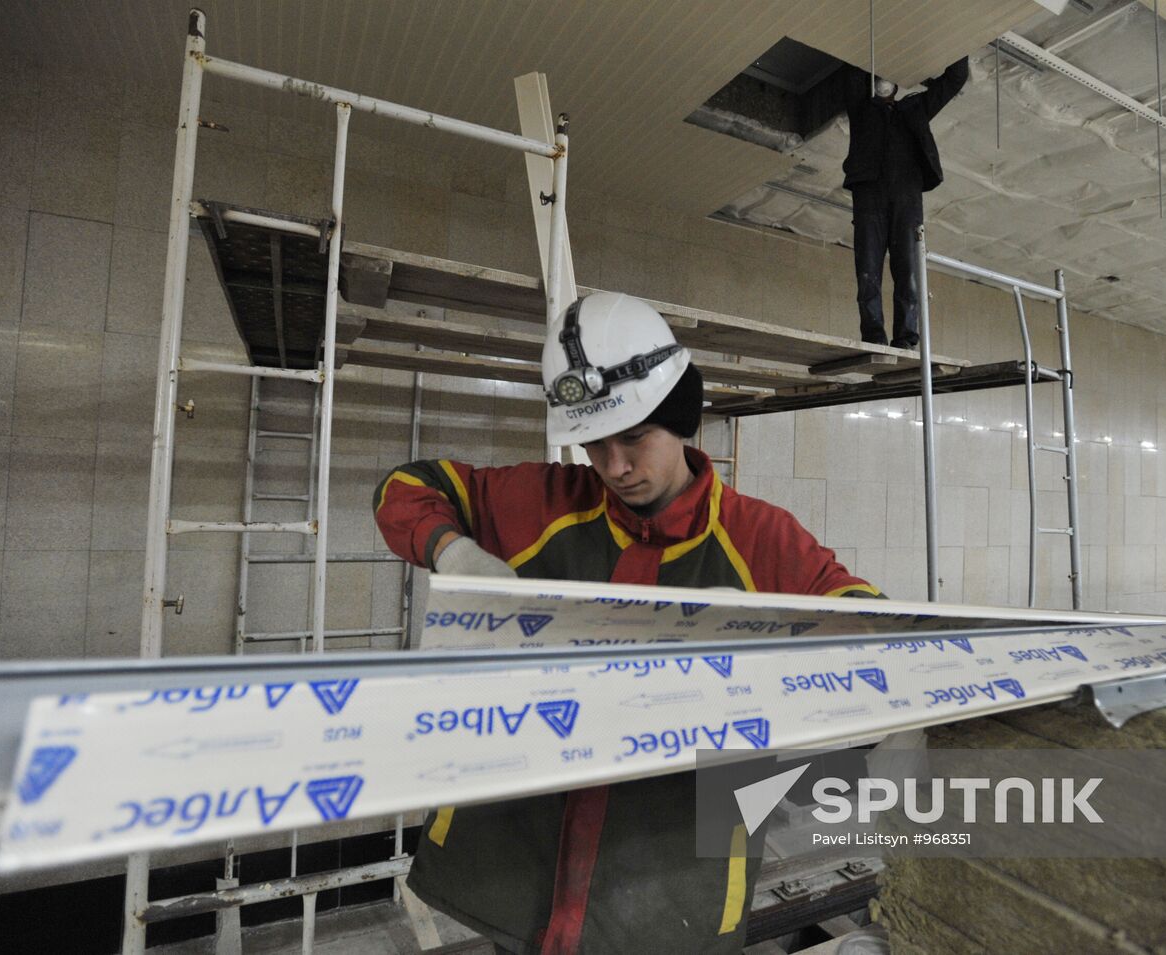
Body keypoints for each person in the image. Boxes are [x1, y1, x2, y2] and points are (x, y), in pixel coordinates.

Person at [373, 291, 881, 954]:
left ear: (679, 415)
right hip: (521, 878)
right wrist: (454, 549)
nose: (612, 466)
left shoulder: (760, 541)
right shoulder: (541, 503)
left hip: (665, 895)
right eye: (592, 442)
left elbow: (871, 629)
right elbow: (405, 488)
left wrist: (815, 708)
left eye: (633, 437)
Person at [842, 57, 969, 348]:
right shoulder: (861, 108)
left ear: (897, 86)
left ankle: (907, 339)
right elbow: (851, 68)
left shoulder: (914, 109)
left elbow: (956, 78)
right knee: (867, 271)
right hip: (869, 196)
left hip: (906, 198)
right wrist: (878, 44)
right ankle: (874, 337)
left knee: (908, 273)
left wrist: (960, 41)